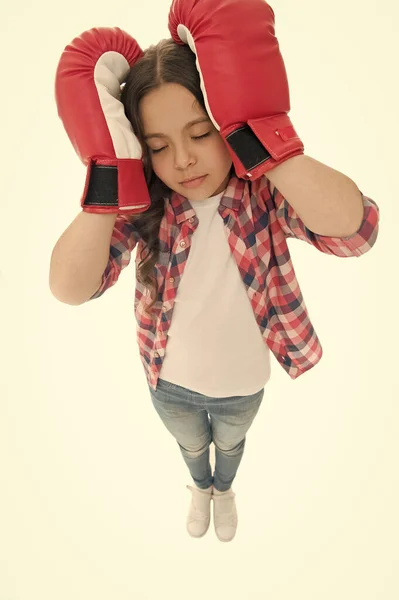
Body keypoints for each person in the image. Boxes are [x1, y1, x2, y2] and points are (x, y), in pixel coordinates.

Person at [50, 26, 379, 543]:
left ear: (226, 123)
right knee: (191, 447)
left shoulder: (264, 195)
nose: (182, 159)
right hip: (169, 384)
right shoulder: (144, 209)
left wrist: (265, 140)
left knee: (230, 447)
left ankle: (222, 490)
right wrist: (111, 174)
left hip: (244, 384)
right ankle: (198, 486)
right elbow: (69, 287)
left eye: (202, 134)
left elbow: (356, 230)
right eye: (158, 146)